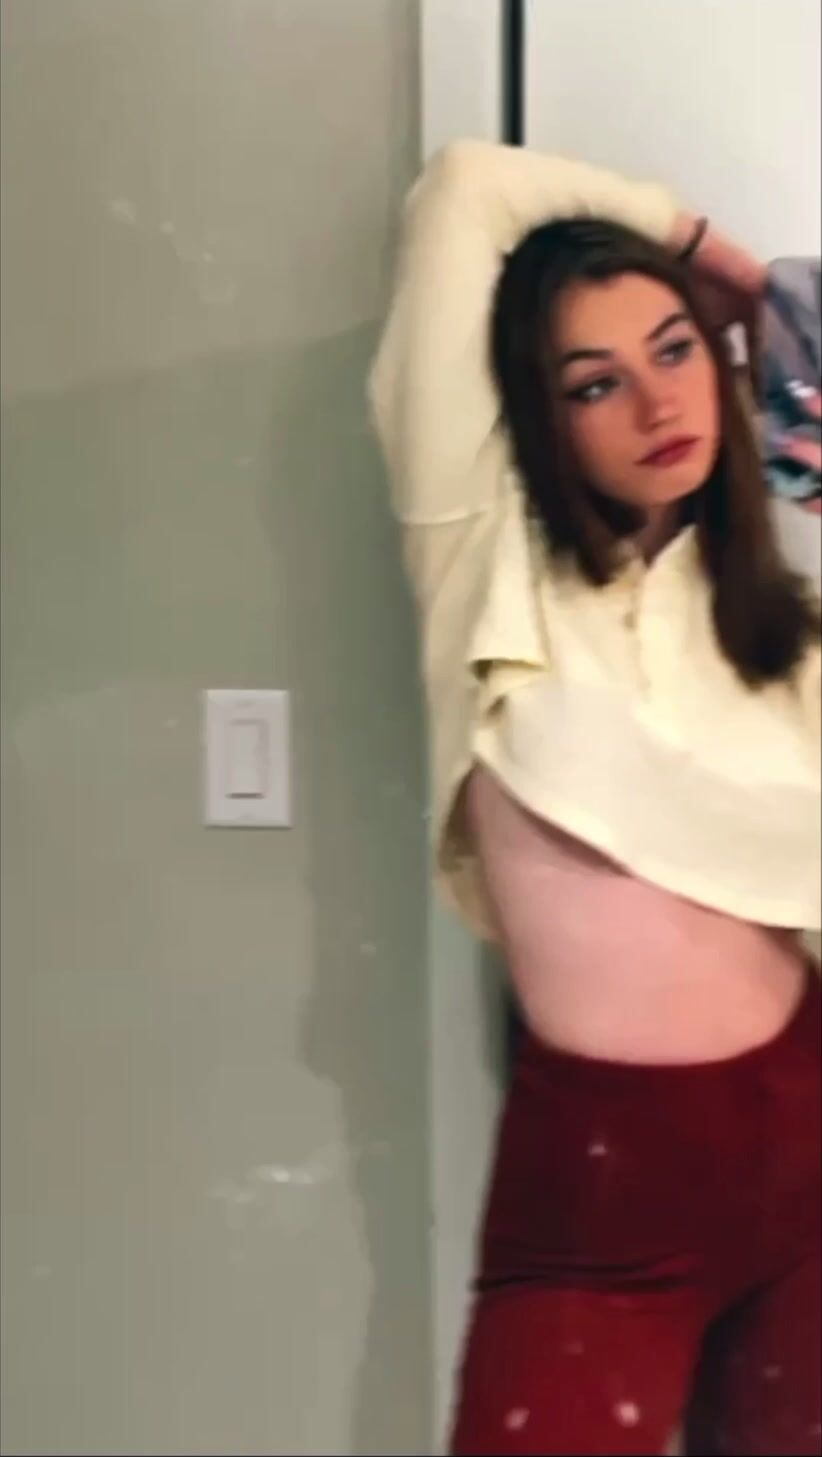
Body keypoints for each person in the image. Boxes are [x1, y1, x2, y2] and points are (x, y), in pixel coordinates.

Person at [369, 141, 821, 1457]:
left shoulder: (784, 637)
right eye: (594, 382)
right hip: (602, 1193)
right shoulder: (486, 564)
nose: (654, 400)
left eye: (676, 352)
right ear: (540, 414)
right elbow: (467, 185)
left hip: (807, 1151)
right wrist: (720, 267)